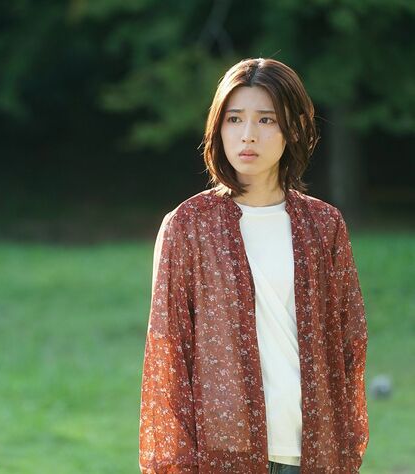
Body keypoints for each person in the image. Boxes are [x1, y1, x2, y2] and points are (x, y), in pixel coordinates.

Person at [139, 58, 368, 473]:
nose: (248, 134)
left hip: (312, 451)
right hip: (223, 453)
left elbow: (349, 343)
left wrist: (344, 447)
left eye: (266, 119)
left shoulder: (324, 225)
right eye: (234, 119)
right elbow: (169, 355)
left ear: (294, 128)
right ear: (217, 128)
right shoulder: (188, 226)